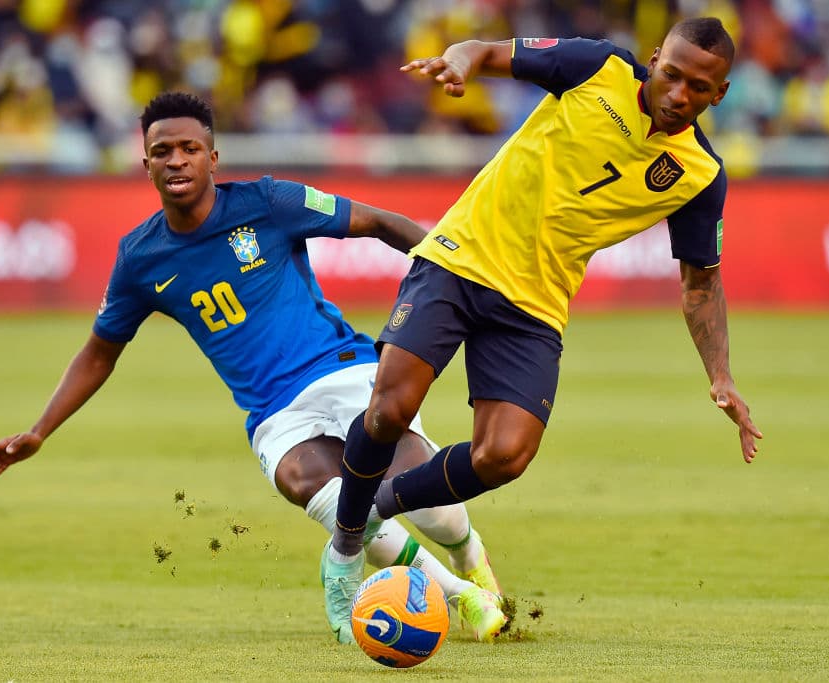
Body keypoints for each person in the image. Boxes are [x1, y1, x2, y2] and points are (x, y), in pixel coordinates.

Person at [0, 91, 506, 645]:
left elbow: (379, 221)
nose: (176, 160)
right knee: (321, 492)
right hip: (274, 410)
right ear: (146, 165)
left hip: (344, 369)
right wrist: (40, 430)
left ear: (213, 158)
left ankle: (472, 557)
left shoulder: (269, 203)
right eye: (162, 151)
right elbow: (99, 352)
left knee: (429, 507)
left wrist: (452, 288)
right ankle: (459, 598)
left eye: (189, 148)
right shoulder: (140, 258)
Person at [321, 17, 764, 641]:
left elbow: (701, 283)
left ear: (719, 94)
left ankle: (373, 508)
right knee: (390, 411)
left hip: (535, 303)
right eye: (672, 75)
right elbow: (486, 50)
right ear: (655, 57)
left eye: (698, 87)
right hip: (459, 257)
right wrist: (460, 62)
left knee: (504, 456)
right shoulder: (598, 68)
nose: (678, 95)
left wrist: (721, 376)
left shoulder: (699, 175)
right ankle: (344, 548)